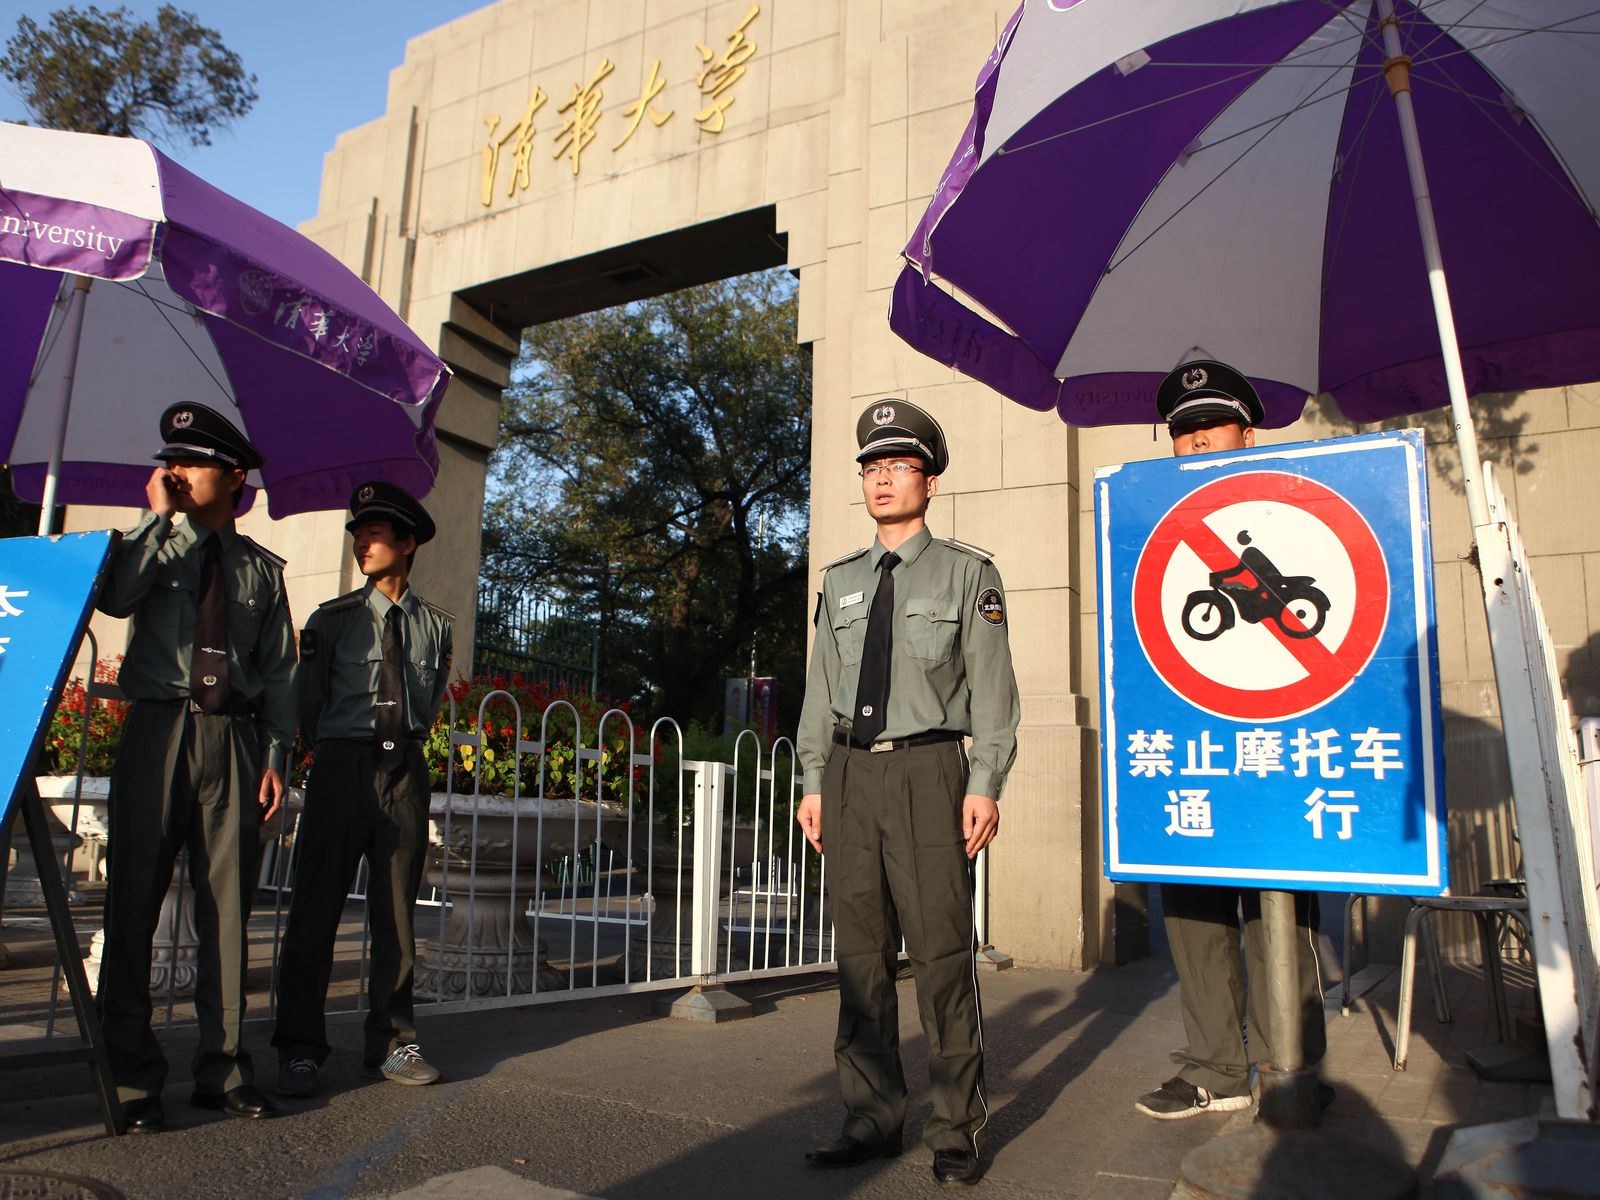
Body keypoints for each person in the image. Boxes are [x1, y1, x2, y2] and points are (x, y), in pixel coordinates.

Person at [796, 400, 1021, 1186]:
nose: (882, 478)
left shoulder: (969, 574)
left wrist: (985, 782)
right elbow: (820, 693)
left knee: (939, 959)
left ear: (929, 478)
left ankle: (956, 1126)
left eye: (898, 465)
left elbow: (994, 695)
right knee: (859, 959)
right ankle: (870, 1117)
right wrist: (814, 780)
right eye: (871, 466)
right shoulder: (841, 580)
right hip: (853, 778)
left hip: (931, 775)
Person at [95, 403, 297, 1133]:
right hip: (157, 729)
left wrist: (276, 758)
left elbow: (278, 673)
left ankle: (223, 1070)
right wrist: (162, 521)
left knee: (228, 912)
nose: (175, 470)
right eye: (170, 458)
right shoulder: (154, 543)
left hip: (234, 743)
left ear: (234, 476)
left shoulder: (259, 573)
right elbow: (114, 597)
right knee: (134, 907)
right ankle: (128, 1076)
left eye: (194, 461)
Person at [1136, 359, 1328, 1120]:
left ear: (1247, 434)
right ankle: (1215, 1066)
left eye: (1211, 426)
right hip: (1185, 748)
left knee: (1282, 911)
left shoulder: (1288, 506)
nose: (1197, 443)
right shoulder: (1147, 517)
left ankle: (1294, 1067)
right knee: (1192, 908)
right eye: (1183, 433)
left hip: (1279, 743)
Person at [272, 481, 453, 1096]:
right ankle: (299, 1046)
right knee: (315, 910)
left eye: (375, 532)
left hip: (405, 769)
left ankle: (394, 1043)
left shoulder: (435, 628)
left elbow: (425, 700)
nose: (361, 542)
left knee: (397, 915)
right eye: (357, 532)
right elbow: (311, 706)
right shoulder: (332, 621)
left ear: (407, 543)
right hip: (341, 767)